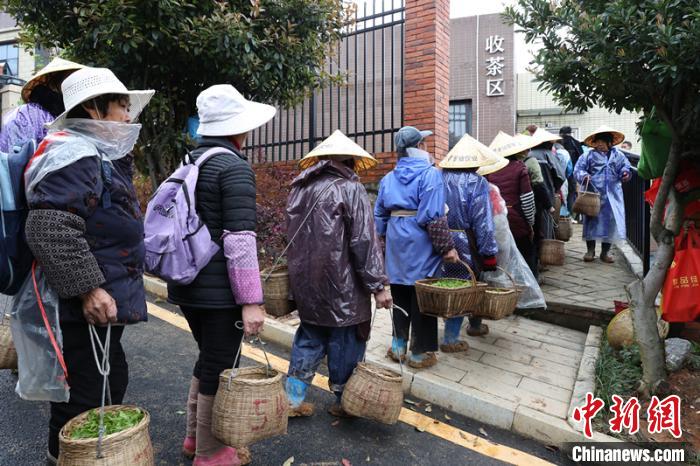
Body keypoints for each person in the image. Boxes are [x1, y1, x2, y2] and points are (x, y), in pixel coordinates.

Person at [23, 67, 154, 464]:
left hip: (95, 304)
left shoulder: (87, 153)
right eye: (122, 107)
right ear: (95, 110)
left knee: (101, 384)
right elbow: (49, 227)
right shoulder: (75, 155)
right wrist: (90, 290)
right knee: (83, 398)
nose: (128, 117)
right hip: (83, 307)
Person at [167, 85, 274, 466]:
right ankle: (212, 454)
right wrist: (251, 301)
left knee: (209, 358)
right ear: (238, 128)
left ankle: (195, 439)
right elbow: (240, 241)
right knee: (220, 364)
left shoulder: (190, 161)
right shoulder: (234, 167)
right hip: (218, 293)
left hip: (186, 283)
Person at [285, 130, 393, 417]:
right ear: (350, 160)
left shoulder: (299, 188)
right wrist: (378, 284)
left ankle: (292, 399)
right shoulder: (351, 188)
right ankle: (345, 401)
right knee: (346, 341)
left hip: (307, 282)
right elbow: (364, 241)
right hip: (343, 287)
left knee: (309, 336)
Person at [375, 126, 457, 369]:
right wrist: (447, 248)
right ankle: (420, 354)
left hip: (396, 240)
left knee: (400, 291)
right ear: (419, 147)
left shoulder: (388, 178)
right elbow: (433, 217)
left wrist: (380, 242)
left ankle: (398, 345)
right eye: (424, 143)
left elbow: (379, 215)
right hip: (421, 240)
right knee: (423, 295)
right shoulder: (431, 174)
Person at [438, 134, 502, 349]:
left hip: (439, 237)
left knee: (446, 283)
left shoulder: (438, 177)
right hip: (466, 240)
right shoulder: (477, 182)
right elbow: (483, 220)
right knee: (465, 285)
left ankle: (463, 325)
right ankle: (451, 338)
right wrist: (489, 251)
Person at [574, 126, 631, 263]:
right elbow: (578, 170)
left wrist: (625, 173)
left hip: (613, 195)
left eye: (602, 142)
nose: (599, 145)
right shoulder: (588, 155)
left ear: (609, 142)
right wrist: (584, 175)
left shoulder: (619, 155)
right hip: (593, 194)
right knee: (591, 221)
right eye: (597, 142)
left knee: (610, 224)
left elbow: (626, 167)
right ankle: (590, 251)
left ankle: (605, 253)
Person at [0, 57, 83, 152]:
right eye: (69, 81)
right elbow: (17, 159)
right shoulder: (26, 115)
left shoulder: (71, 114)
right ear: (54, 83)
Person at [487, 132, 538, 276]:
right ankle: (525, 288)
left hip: (494, 219)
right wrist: (530, 223)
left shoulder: (488, 168)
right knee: (526, 256)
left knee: (500, 259)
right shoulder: (519, 168)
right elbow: (527, 199)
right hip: (516, 220)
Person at [559, 126, 584, 214]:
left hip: (558, 173)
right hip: (573, 172)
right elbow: (582, 158)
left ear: (561, 133)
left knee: (559, 193)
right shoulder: (576, 143)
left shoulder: (558, 144)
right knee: (572, 193)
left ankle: (561, 214)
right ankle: (571, 213)